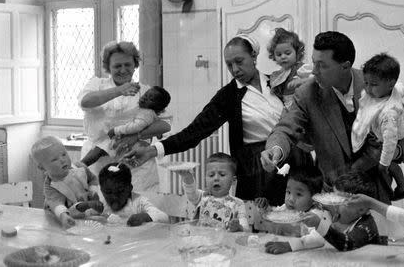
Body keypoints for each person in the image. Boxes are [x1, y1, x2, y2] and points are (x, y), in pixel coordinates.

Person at [124, 35, 312, 204]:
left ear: (254, 56)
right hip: (258, 170)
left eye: (239, 61)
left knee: (299, 219)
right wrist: (152, 150)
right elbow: (195, 131)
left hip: (295, 161)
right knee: (262, 224)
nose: (235, 69)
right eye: (229, 64)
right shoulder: (228, 96)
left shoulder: (277, 83)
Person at [261, 31, 404, 203]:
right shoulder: (306, 94)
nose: (314, 71)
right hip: (332, 194)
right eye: (314, 63)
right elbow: (285, 128)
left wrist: (394, 151)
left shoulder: (375, 83)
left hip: (376, 192)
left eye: (322, 65)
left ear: (345, 65)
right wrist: (275, 149)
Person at [78, 41, 170, 193]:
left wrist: (136, 135)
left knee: (137, 210)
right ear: (108, 67)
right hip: (98, 162)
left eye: (128, 64)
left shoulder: (146, 92)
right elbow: (85, 102)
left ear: (135, 64)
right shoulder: (96, 84)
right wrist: (119, 90)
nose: (123, 70)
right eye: (117, 66)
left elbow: (164, 125)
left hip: (135, 163)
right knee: (98, 209)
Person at [351, 53, 404, 201]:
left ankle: (367, 196)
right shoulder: (391, 89)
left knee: (357, 169)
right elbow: (401, 88)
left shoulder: (388, 113)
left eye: (374, 84)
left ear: (390, 84)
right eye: (366, 83)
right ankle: (402, 188)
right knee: (391, 163)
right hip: (384, 133)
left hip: (386, 139)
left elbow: (390, 142)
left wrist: (383, 164)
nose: (368, 89)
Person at [254, 165, 331, 254]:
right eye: (288, 192)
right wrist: (264, 208)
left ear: (315, 198)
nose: (290, 199)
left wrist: (289, 245)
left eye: (298, 194)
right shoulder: (286, 208)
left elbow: (318, 239)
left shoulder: (315, 216)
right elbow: (272, 218)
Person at [30, 136, 103, 228]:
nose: (62, 160)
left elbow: (92, 179)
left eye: (64, 154)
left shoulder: (80, 167)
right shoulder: (50, 186)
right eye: (54, 159)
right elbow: (57, 204)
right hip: (62, 219)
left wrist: (93, 191)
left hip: (84, 215)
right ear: (42, 167)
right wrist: (63, 216)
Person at [302, 170, 381, 251]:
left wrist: (319, 224)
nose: (334, 205)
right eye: (333, 199)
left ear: (361, 209)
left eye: (339, 201)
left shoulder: (366, 227)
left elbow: (347, 243)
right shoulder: (345, 218)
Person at [175, 153, 249, 232]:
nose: (216, 178)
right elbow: (191, 193)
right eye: (211, 175)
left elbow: (246, 229)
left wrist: (238, 227)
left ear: (233, 180)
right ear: (205, 178)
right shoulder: (202, 196)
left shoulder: (238, 204)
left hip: (223, 242)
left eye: (222, 174)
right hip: (201, 241)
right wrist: (187, 177)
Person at [98, 162, 168, 226]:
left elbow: (163, 217)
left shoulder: (139, 202)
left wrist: (144, 216)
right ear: (102, 191)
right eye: (108, 192)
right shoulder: (102, 206)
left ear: (129, 188)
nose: (114, 197)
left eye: (120, 191)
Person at [266, 28, 312, 109]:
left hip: (302, 106)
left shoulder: (302, 68)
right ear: (273, 56)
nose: (283, 57)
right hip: (286, 108)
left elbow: (317, 80)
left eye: (287, 53)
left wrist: (302, 81)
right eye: (279, 54)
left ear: (297, 52)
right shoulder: (278, 75)